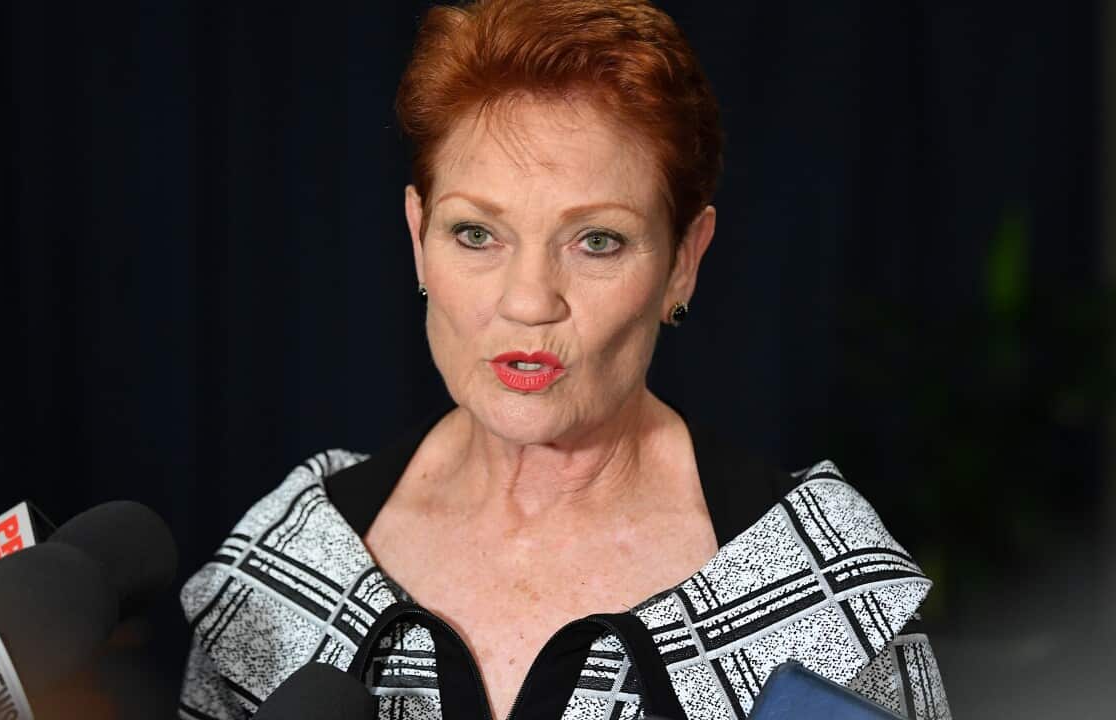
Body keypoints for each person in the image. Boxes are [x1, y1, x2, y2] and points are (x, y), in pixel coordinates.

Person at [178, 1, 950, 718]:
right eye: (477, 233)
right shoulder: (294, 558)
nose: (528, 301)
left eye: (597, 241)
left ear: (684, 261)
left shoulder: (819, 591)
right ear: (418, 239)